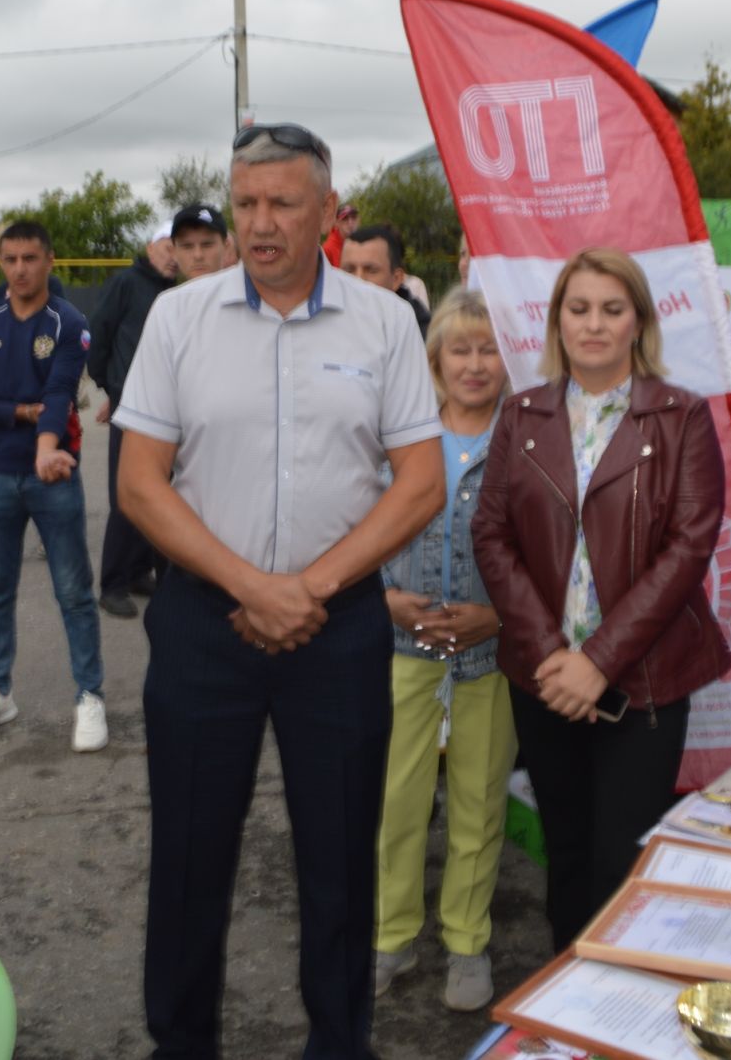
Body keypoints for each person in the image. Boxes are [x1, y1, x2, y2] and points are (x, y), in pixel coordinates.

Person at [116, 122, 444, 1059]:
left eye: (282, 204)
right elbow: (139, 483)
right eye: (246, 203)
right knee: (188, 859)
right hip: (203, 621)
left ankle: (340, 1043)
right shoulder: (179, 317)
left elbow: (419, 481)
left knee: (341, 863)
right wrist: (253, 587)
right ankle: (182, 1044)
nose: (260, 225)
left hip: (335, 628)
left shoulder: (384, 323)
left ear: (328, 213)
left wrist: (308, 589)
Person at [471, 246, 730, 952]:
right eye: (578, 308)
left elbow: (687, 551)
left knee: (622, 864)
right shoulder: (522, 414)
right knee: (569, 855)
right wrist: (555, 655)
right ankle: (569, 1003)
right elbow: (491, 534)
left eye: (611, 309)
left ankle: (617, 1005)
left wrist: (600, 661)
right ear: (557, 321)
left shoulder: (681, 417)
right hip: (545, 681)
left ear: (638, 321)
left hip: (644, 682)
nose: (593, 324)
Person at [371, 288, 514, 1014]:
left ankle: (467, 940)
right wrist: (381, 596)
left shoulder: (525, 440)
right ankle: (391, 933)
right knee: (396, 801)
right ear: (434, 360)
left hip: (488, 658)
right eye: (459, 348)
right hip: (405, 647)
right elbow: (357, 521)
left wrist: (501, 615)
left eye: (488, 348)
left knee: (478, 804)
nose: (475, 363)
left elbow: (547, 551)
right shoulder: (404, 436)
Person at [0, 219, 108, 752]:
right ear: (1, 263)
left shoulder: (69, 322)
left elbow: (62, 392)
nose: (20, 269)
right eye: (10, 260)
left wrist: (46, 445)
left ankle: (90, 696)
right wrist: (21, 411)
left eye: (30, 259)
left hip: (54, 475)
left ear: (49, 260)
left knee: (74, 593)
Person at [88, 218, 181, 617]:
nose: (175, 256)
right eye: (168, 246)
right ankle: (111, 584)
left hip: (165, 411)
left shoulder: (171, 292)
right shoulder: (128, 283)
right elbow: (101, 334)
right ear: (150, 246)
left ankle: (139, 570)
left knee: (158, 495)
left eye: (180, 249)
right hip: (132, 408)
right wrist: (111, 389)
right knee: (127, 496)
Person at [340, 223, 431, 341]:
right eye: (349, 270)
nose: (358, 279)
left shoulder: (424, 335)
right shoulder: (324, 322)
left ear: (396, 279)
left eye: (371, 270)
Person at [170, 200, 230, 279]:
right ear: (174, 252)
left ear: (225, 247)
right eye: (187, 246)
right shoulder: (166, 291)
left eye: (207, 245)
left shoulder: (244, 290)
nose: (198, 255)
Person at [322, 200, 359, 267]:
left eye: (353, 217)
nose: (350, 223)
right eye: (345, 218)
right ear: (337, 223)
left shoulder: (361, 243)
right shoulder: (328, 249)